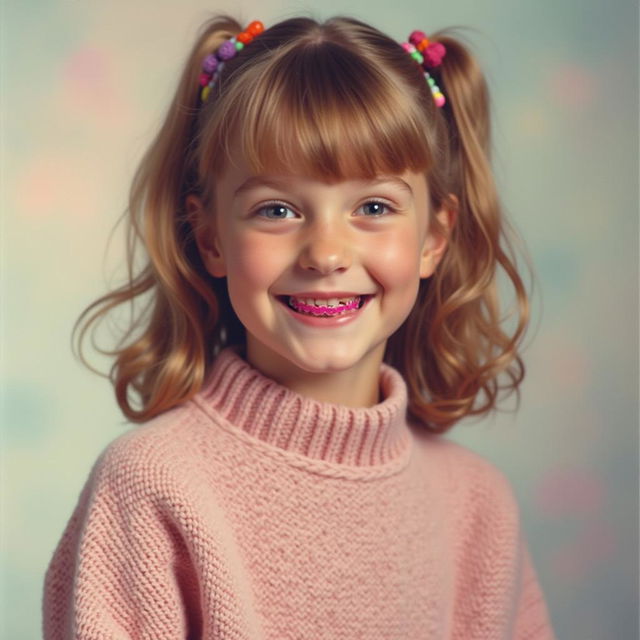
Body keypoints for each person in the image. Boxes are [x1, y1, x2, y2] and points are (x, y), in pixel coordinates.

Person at [42, 13, 556, 639]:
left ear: (434, 238)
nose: (326, 252)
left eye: (373, 207)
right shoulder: (152, 484)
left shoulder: (478, 506)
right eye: (277, 209)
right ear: (209, 238)